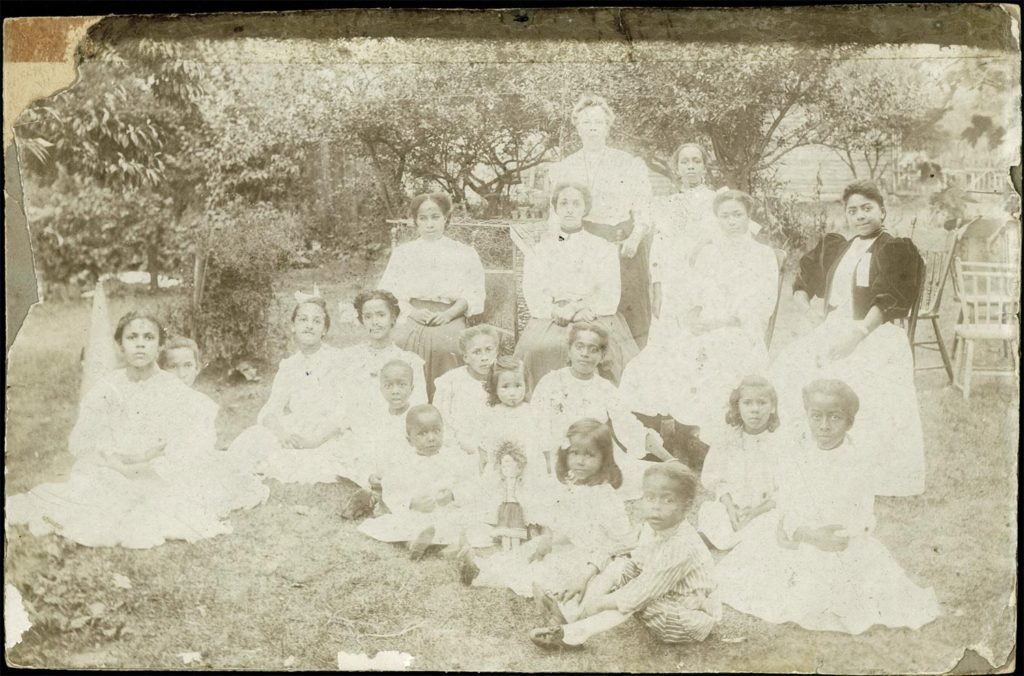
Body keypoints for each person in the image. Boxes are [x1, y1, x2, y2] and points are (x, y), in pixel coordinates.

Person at [716, 380, 940, 634]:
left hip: (839, 540)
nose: (824, 426)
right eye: (816, 417)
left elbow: (862, 518)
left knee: (837, 590)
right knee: (757, 570)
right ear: (807, 417)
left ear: (849, 422)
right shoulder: (798, 456)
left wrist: (833, 537)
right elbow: (788, 502)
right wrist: (801, 532)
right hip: (801, 534)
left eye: (834, 417)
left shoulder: (857, 462)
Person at [7, 313, 241, 548]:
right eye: (132, 337)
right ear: (120, 345)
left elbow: (185, 449)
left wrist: (143, 467)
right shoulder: (108, 387)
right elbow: (83, 441)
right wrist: (114, 463)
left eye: (149, 337)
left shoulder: (174, 390)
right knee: (79, 496)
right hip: (113, 469)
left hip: (157, 475)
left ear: (160, 346)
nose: (140, 344)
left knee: (156, 505)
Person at [771, 180, 925, 497]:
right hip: (834, 326)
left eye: (867, 208)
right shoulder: (837, 246)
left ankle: (860, 471)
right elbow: (802, 282)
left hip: (875, 329)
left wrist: (856, 336)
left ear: (883, 211)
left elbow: (890, 299)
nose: (860, 216)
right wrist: (808, 313)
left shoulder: (895, 249)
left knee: (852, 377)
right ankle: (805, 463)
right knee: (787, 367)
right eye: (852, 211)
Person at [620, 189, 779, 433]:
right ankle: (661, 433)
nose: (732, 221)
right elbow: (692, 295)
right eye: (725, 216)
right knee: (652, 361)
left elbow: (761, 303)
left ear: (748, 217)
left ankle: (706, 433)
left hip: (738, 329)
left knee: (711, 361)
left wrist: (720, 322)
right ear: (717, 219)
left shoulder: (763, 255)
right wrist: (692, 317)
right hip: (703, 326)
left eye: (738, 215)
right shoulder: (708, 253)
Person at [528, 462, 721, 650]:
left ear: (686, 507)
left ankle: (574, 632)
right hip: (666, 597)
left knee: (630, 595)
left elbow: (640, 594)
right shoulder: (651, 528)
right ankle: (570, 617)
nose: (656, 507)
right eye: (650, 498)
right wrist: (584, 577)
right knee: (621, 565)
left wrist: (596, 604)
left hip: (685, 618)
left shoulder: (681, 546)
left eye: (667, 500)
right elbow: (613, 547)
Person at [460, 419, 632, 597]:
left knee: (546, 571)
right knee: (526, 555)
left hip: (593, 556)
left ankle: (486, 575)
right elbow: (561, 521)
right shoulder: (572, 485)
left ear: (603, 458)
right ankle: (482, 566)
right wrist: (548, 538)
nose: (580, 461)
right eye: (575, 453)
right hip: (566, 545)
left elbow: (617, 542)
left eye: (589, 455)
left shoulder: (604, 495)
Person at [545, 94, 654, 347]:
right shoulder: (565, 167)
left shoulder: (628, 163)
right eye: (586, 122)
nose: (592, 127)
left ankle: (629, 364)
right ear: (577, 127)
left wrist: (635, 237)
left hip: (623, 241)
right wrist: (561, 244)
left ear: (608, 126)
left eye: (598, 122)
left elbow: (643, 206)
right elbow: (555, 217)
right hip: (584, 240)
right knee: (586, 304)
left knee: (629, 311)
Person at [530, 323, 675, 499]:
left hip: (594, 456)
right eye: (579, 347)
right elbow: (538, 427)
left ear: (602, 355)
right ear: (569, 350)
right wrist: (548, 467)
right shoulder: (550, 382)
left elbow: (629, 426)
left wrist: (669, 460)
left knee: (645, 478)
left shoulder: (605, 388)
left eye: (593, 349)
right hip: (557, 455)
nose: (585, 354)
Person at [515, 182, 638, 387]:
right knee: (540, 349)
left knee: (604, 351)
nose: (570, 208)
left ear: (585, 208)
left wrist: (578, 309)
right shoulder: (540, 250)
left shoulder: (602, 248)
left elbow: (610, 293)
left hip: (592, 315)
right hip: (553, 318)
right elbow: (533, 292)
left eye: (575, 203)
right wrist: (557, 311)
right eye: (563, 203)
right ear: (555, 208)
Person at [229, 297, 350, 484]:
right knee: (253, 439)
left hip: (327, 432)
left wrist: (315, 441)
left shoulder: (338, 360)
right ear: (293, 326)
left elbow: (344, 413)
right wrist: (282, 435)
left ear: (324, 330)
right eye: (303, 319)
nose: (309, 326)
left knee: (310, 461)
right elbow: (272, 409)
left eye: (317, 321)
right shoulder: (289, 365)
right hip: (297, 428)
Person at [378, 192, 486, 398]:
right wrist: (412, 312)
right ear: (415, 222)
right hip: (410, 314)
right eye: (423, 218)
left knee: (446, 347)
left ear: (446, 218)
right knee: (399, 343)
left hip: (449, 315)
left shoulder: (464, 253)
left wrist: (450, 314)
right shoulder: (404, 253)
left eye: (435, 217)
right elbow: (389, 292)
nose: (429, 224)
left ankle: (445, 404)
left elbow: (473, 291)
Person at [357, 405, 492, 557]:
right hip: (417, 514)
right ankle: (414, 544)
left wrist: (453, 495)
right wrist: (412, 502)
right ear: (409, 440)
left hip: (447, 511)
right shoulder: (402, 462)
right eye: (422, 433)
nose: (431, 438)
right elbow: (393, 489)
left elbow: (470, 484)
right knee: (401, 525)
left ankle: (453, 547)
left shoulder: (454, 457)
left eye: (436, 431)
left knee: (467, 524)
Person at [697, 376, 782, 550]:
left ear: (773, 407)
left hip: (764, 509)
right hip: (733, 507)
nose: (755, 410)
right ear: (738, 406)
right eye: (748, 403)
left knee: (774, 523)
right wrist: (729, 506)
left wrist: (756, 512)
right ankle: (724, 536)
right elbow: (716, 479)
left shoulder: (779, 442)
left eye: (762, 403)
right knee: (712, 513)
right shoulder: (728, 439)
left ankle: (745, 542)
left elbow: (784, 490)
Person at [337, 289, 428, 420]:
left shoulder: (410, 361)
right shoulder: (349, 358)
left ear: (393, 318)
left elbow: (418, 407)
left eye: (381, 315)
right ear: (362, 321)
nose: (375, 322)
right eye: (368, 316)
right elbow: (341, 404)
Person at [431, 324, 500, 456]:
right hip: (458, 450)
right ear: (466, 357)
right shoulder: (450, 382)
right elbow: (440, 421)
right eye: (476, 352)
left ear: (496, 352)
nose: (484, 357)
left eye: (489, 349)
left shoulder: (503, 380)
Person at [478, 356, 545, 478]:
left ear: (526, 385)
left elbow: (540, 442)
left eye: (518, 385)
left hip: (527, 466)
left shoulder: (531, 412)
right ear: (495, 388)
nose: (512, 393)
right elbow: (484, 443)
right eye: (505, 387)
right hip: (500, 466)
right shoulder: (492, 414)